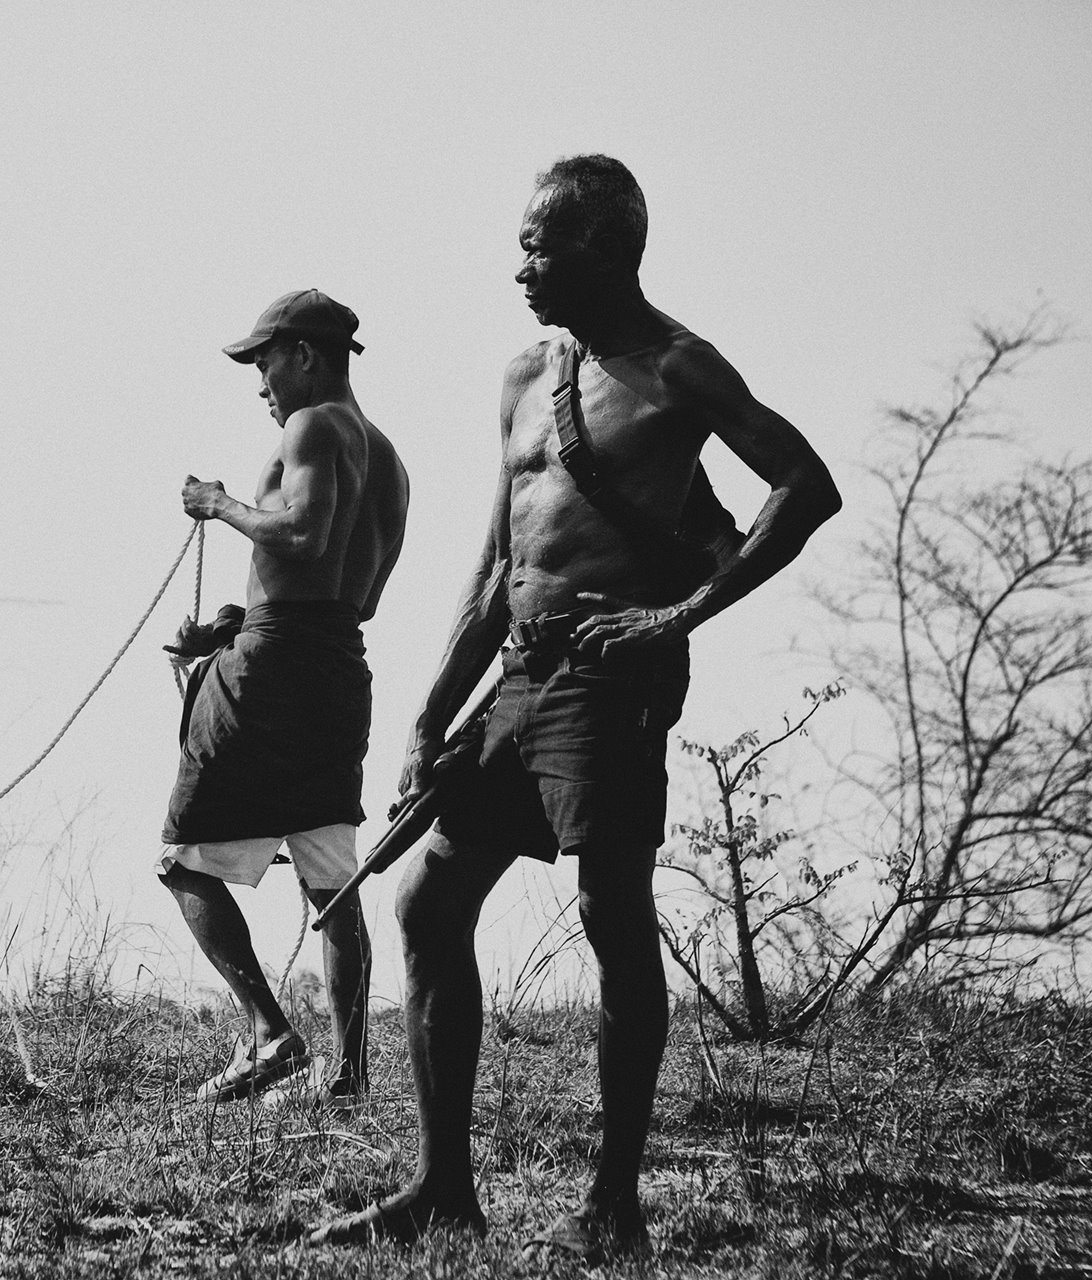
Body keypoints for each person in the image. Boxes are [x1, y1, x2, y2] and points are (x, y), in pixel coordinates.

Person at [312, 157, 841, 1256]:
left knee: (613, 913)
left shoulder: (679, 367)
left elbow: (805, 486)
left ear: (608, 246)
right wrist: (429, 711)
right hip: (517, 678)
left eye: (541, 246)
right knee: (425, 900)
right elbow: (498, 559)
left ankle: (615, 1200)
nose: (521, 268)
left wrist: (677, 617)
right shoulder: (521, 375)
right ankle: (444, 1188)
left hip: (611, 681)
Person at [161, 289, 410, 1107]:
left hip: (270, 672)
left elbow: (300, 534)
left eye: (264, 361)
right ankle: (348, 1074)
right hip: (338, 667)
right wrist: (237, 619)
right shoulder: (389, 460)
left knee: (184, 857)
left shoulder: (310, 427)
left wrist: (218, 504)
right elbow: (345, 590)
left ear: (304, 354)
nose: (259, 382)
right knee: (332, 875)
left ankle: (268, 1032)